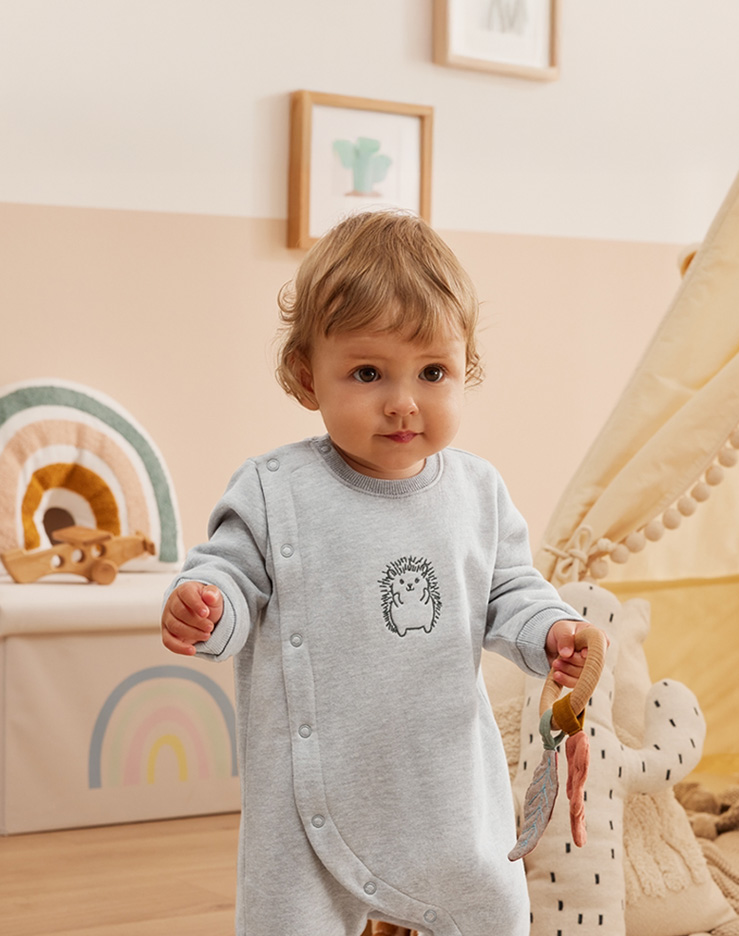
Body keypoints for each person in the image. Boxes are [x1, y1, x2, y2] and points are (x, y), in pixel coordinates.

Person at [161, 209, 601, 936]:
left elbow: (510, 592)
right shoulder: (276, 490)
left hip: (444, 788)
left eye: (433, 372)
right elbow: (230, 577)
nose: (403, 401)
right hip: (308, 801)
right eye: (368, 373)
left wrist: (551, 631)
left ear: (466, 369)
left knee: (493, 910)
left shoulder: (477, 493)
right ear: (307, 375)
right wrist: (209, 607)